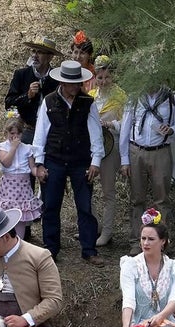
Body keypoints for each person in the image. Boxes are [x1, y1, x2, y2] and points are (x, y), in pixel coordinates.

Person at [32, 61, 105, 266]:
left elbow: (96, 134)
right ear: (63, 83)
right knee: (51, 206)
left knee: (85, 206)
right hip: (54, 159)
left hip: (81, 161)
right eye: (73, 83)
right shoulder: (49, 101)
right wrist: (39, 163)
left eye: (78, 83)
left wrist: (95, 161)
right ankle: (50, 249)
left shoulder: (88, 102)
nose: (77, 87)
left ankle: (89, 249)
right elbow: (40, 134)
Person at [118, 84, 175, 255]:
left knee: (161, 199)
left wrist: (171, 130)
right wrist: (125, 160)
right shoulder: (134, 97)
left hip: (160, 152)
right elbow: (125, 128)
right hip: (136, 151)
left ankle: (162, 242)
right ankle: (136, 241)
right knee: (136, 199)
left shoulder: (172, 97)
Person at [88, 55, 126, 247]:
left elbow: (128, 124)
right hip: (93, 148)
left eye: (107, 77)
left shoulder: (120, 97)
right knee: (87, 188)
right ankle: (93, 226)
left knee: (108, 191)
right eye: (100, 77)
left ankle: (108, 231)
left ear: (113, 76)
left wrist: (111, 124)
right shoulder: (91, 95)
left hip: (111, 149)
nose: (103, 81)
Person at [0, 116, 41, 237]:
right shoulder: (1, 147)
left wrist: (38, 172)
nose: (15, 137)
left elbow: (32, 167)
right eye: (12, 133)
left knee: (20, 218)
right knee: (6, 217)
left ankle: (19, 242)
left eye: (18, 133)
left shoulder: (27, 149)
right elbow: (6, 162)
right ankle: (6, 243)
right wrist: (13, 148)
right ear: (6, 133)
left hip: (23, 189)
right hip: (8, 188)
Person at [4, 37, 62, 145]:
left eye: (40, 52)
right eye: (33, 51)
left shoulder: (57, 78)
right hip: (27, 131)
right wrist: (27, 96)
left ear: (50, 57)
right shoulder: (21, 74)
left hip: (51, 133)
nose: (35, 55)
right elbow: (9, 104)